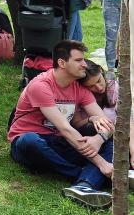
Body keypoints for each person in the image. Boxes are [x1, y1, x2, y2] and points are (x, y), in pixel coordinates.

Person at [8, 40, 114, 209]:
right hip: (30, 143)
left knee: (110, 144)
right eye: (79, 60)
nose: (84, 65)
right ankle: (88, 175)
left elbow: (107, 124)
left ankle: (83, 186)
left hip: (59, 143)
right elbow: (65, 129)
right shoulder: (41, 85)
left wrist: (99, 139)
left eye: (84, 60)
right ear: (62, 63)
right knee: (31, 141)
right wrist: (101, 163)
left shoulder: (79, 89)